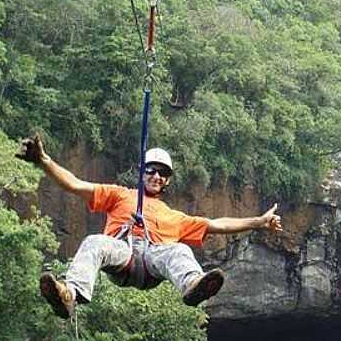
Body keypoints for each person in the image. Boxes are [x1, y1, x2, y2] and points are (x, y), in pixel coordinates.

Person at [16, 134, 283, 319]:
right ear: (142, 172)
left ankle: (192, 285)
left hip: (154, 261)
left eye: (162, 174)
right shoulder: (119, 194)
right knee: (94, 243)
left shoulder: (174, 216)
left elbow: (217, 224)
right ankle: (69, 295)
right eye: (152, 170)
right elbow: (74, 184)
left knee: (178, 250)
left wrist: (259, 221)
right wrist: (43, 161)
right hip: (125, 255)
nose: (156, 176)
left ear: (167, 182)